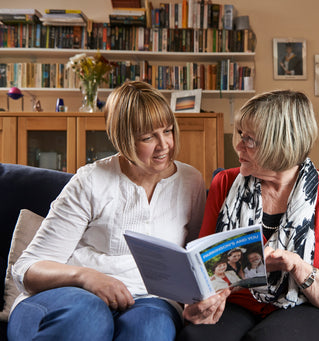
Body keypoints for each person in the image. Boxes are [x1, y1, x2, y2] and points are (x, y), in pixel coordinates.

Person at [7, 81, 206, 341]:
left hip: (151, 300)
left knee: (151, 329)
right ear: (122, 138)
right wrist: (87, 277)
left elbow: (193, 260)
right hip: (75, 295)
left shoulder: (191, 180)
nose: (164, 145)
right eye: (148, 137)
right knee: (88, 318)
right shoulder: (91, 180)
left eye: (167, 131)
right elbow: (27, 268)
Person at [177, 90, 319, 341]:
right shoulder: (225, 183)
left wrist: (297, 266)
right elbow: (202, 271)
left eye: (250, 140)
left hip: (304, 305)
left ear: (281, 144)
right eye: (240, 135)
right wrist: (197, 303)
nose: (238, 146)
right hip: (237, 303)